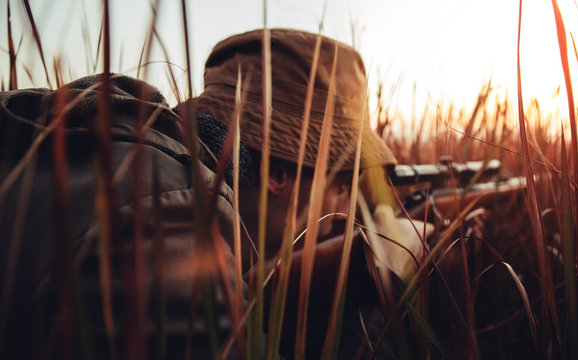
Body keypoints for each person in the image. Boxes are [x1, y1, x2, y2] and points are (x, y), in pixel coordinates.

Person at [0, 28, 424, 359]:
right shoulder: (165, 218)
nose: (346, 207)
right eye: (344, 184)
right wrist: (376, 289)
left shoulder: (116, 149)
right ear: (278, 172)